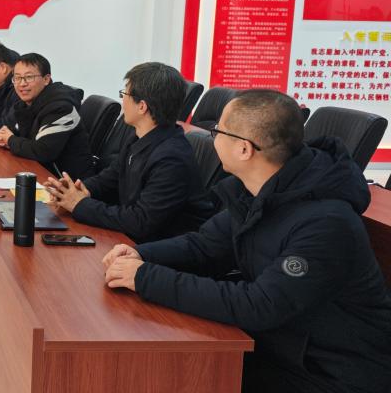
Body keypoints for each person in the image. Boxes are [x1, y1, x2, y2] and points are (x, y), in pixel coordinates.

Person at [102, 89, 391, 393]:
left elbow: (259, 304)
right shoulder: (258, 191)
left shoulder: (326, 224)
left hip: (332, 371)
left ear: (243, 149)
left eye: (218, 131)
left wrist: (146, 277)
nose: (212, 136)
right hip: (280, 347)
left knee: (174, 374)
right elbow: (204, 246)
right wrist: (139, 255)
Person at [44, 62, 214, 243]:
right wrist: (74, 191)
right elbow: (110, 178)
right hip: (134, 239)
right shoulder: (140, 137)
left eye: (124, 94)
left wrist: (80, 205)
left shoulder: (172, 158)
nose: (122, 101)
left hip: (160, 248)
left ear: (142, 106)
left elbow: (140, 221)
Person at [0, 53, 92, 178]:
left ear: (46, 79)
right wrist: (7, 137)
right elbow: (25, 135)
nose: (22, 84)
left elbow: (43, 151)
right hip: (41, 170)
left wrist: (10, 140)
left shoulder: (61, 108)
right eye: (17, 78)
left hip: (68, 181)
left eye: (29, 77)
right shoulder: (26, 103)